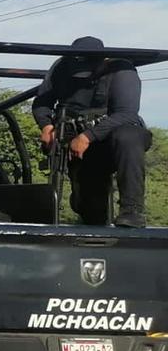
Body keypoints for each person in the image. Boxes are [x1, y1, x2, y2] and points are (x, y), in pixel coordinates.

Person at [32, 36, 152, 227]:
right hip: (76, 143)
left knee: (129, 136)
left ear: (102, 61)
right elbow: (41, 102)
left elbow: (127, 114)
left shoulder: (121, 70)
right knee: (92, 212)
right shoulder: (61, 67)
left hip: (112, 140)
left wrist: (87, 136)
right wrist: (46, 125)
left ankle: (132, 211)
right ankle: (84, 202)